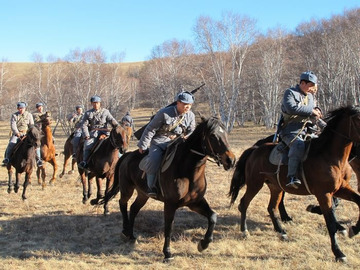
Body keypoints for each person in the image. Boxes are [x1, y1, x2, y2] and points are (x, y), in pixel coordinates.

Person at [138, 91, 196, 197]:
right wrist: (143, 145)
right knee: (154, 160)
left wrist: (187, 136)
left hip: (178, 143)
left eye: (190, 105)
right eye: (184, 104)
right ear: (178, 103)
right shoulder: (164, 113)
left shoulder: (191, 116)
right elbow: (151, 129)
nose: (187, 107)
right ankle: (151, 187)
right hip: (160, 142)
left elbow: (192, 130)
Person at [279, 71, 322, 188]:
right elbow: (292, 108)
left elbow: (313, 112)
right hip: (290, 131)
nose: (312, 88)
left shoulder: (310, 97)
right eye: (310, 85)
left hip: (309, 130)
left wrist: (317, 112)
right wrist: (311, 111)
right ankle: (291, 177)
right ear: (303, 83)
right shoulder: (290, 93)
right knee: (298, 145)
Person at [78, 95, 119, 170]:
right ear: (91, 103)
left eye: (97, 103)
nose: (95, 104)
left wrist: (117, 126)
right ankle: (85, 162)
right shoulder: (87, 113)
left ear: (100, 103)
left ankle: (120, 161)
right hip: (94, 133)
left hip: (105, 133)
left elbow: (112, 120)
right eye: (94, 103)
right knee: (87, 144)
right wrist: (86, 135)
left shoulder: (106, 112)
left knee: (116, 144)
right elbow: (84, 125)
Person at [2, 102, 43, 167]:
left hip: (27, 133)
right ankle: (7, 159)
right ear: (17, 108)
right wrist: (17, 133)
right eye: (19, 108)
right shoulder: (14, 115)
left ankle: (38, 160)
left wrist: (30, 132)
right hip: (17, 134)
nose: (21, 109)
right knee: (11, 143)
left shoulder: (29, 115)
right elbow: (13, 125)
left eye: (22, 108)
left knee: (36, 144)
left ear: (25, 108)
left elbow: (31, 125)